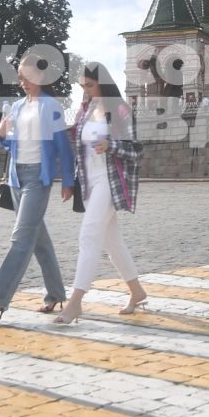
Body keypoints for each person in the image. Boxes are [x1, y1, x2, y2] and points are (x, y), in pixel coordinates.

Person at [0, 60, 76, 319]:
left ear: (40, 75)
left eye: (26, 76)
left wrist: (68, 181)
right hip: (16, 178)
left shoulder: (51, 106)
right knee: (39, 241)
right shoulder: (17, 106)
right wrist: (1, 135)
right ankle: (55, 295)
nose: (22, 82)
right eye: (19, 77)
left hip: (37, 179)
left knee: (20, 239)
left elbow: (63, 145)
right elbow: (12, 145)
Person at [57, 61, 148, 326]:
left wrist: (111, 145)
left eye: (90, 85)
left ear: (102, 82)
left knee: (89, 235)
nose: (85, 91)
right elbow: (78, 150)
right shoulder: (84, 110)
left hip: (110, 181)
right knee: (112, 242)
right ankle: (137, 291)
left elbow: (137, 151)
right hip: (88, 182)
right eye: (82, 86)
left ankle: (75, 303)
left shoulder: (119, 108)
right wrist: (70, 183)